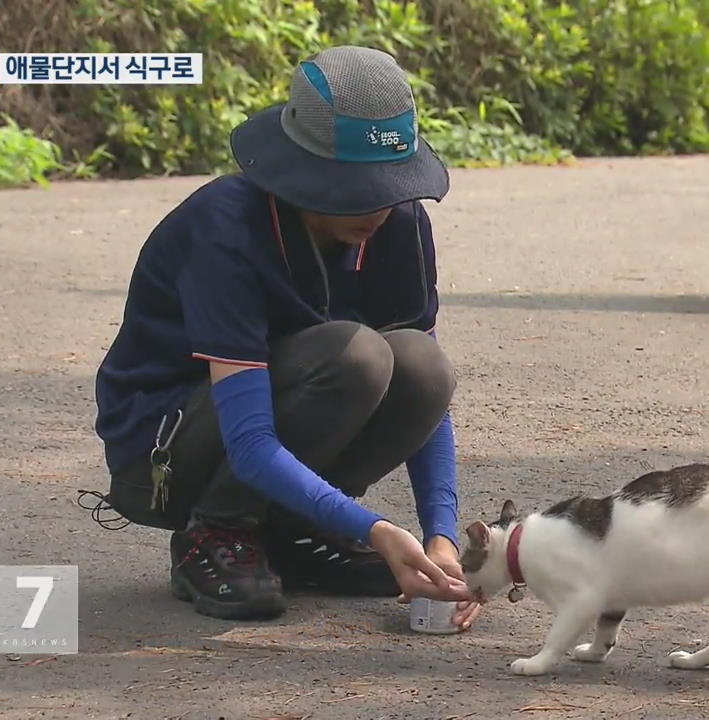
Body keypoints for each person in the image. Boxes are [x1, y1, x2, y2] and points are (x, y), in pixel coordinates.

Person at [85, 46, 480, 629]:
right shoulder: (226, 227)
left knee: (423, 364)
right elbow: (248, 439)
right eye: (349, 186)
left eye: (387, 182)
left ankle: (291, 535)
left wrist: (441, 537)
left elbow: (427, 399)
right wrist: (368, 526)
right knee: (358, 357)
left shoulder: (398, 220)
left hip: (274, 431)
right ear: (299, 167)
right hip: (165, 457)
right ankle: (215, 531)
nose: (373, 204)